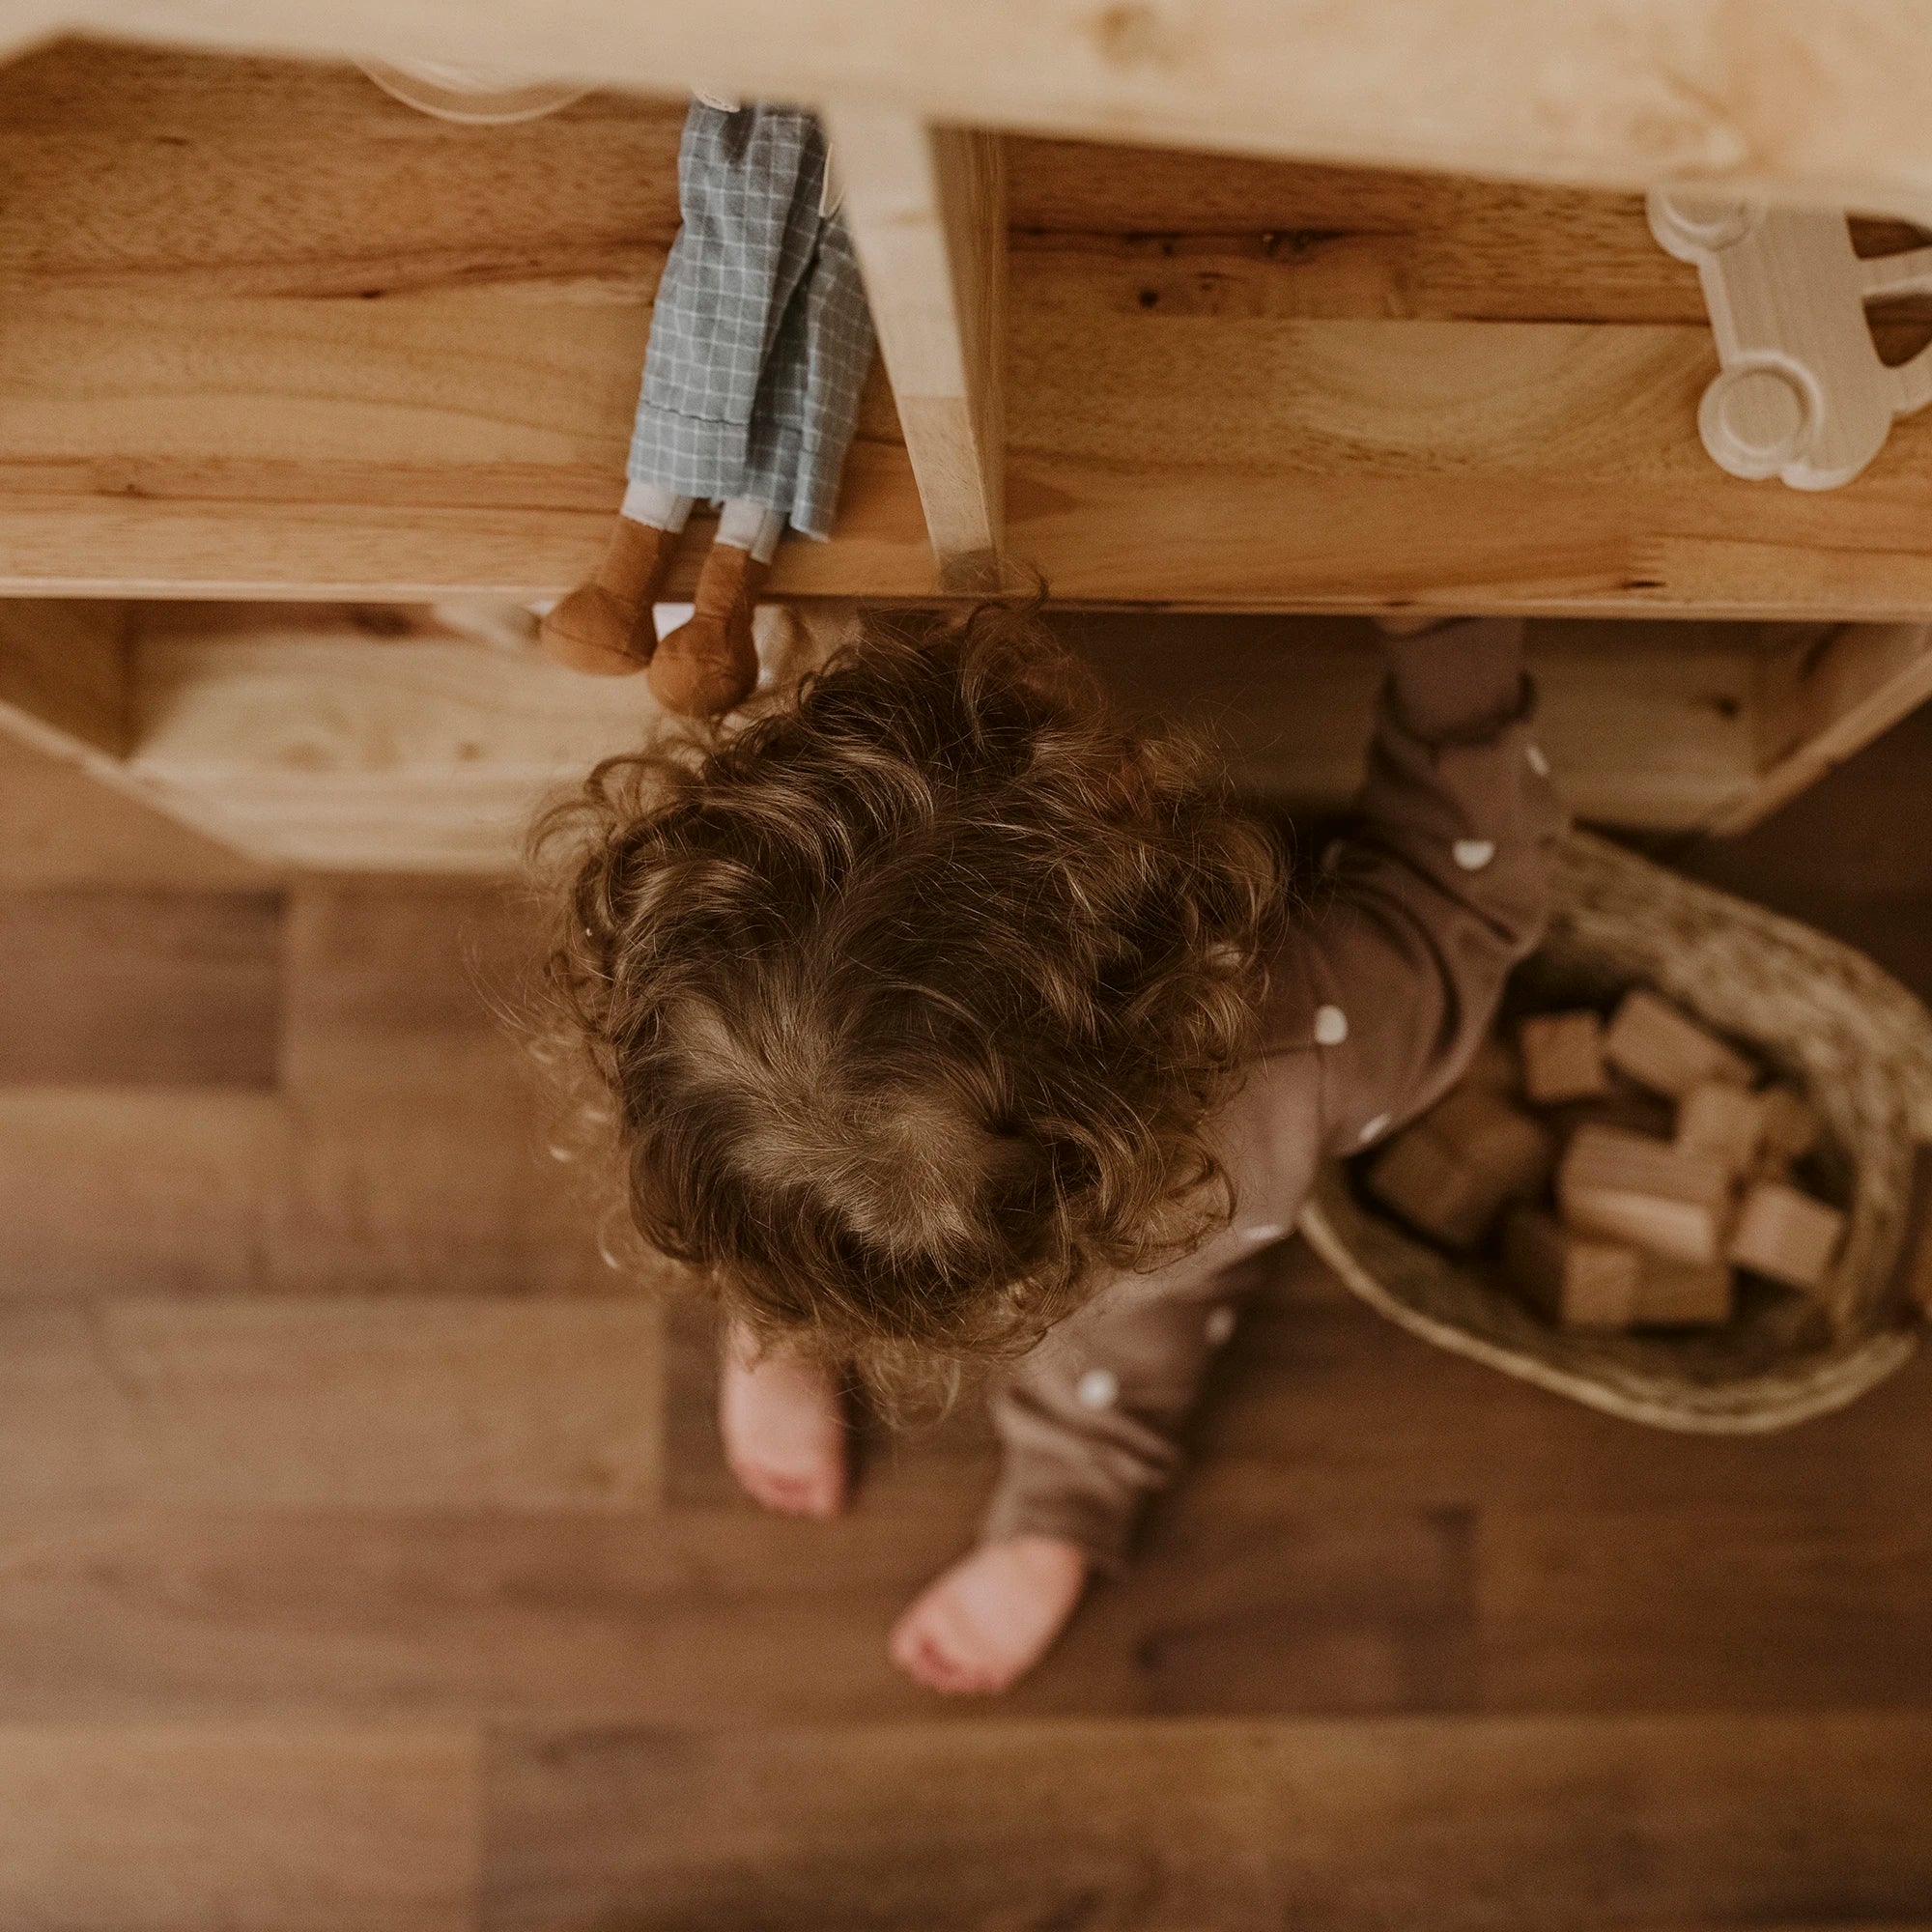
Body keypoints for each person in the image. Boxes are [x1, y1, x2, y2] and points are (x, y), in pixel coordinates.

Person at [532, 603, 1563, 1691]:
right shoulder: (1305, 1047)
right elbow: (1461, 893)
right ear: (1124, 803)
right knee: (1085, 1300)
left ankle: (807, 1316)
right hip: (1148, 1218)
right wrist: (1451, 636)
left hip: (1009, 1205)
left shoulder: (1295, 1064)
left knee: (784, 1172)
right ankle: (1045, 1471)